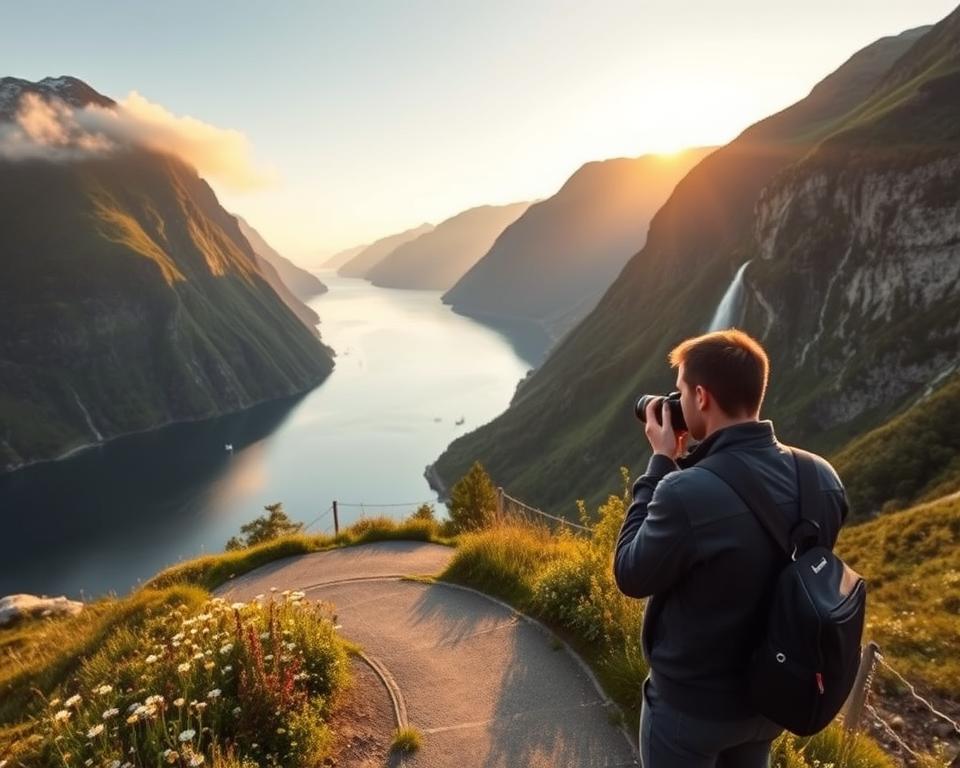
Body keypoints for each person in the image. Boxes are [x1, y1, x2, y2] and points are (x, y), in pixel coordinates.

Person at [613, 329, 848, 768]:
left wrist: (661, 464)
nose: (676, 401)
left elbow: (630, 573)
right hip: (771, 698)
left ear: (701, 397)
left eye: (680, 391)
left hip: (690, 709)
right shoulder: (822, 478)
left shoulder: (683, 491)